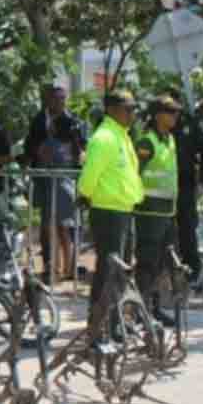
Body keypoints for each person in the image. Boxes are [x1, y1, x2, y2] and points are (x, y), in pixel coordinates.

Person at [77, 90, 143, 336]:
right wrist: (86, 194)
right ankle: (97, 327)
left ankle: (114, 324)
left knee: (120, 272)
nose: (133, 114)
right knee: (107, 272)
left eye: (134, 109)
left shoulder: (120, 135)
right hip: (108, 212)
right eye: (129, 109)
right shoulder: (104, 137)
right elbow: (89, 178)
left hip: (122, 210)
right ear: (113, 110)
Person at [23, 84, 88, 282]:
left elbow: (81, 148)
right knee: (47, 223)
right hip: (43, 178)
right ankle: (51, 267)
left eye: (63, 98)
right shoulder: (38, 120)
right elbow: (29, 146)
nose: (60, 102)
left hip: (65, 177)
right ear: (47, 100)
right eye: (56, 98)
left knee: (65, 225)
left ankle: (68, 267)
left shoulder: (73, 121)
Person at [133, 95, 183, 325]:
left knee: (161, 264)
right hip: (149, 214)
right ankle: (141, 311)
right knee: (147, 264)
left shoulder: (169, 139)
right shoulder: (147, 142)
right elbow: (134, 175)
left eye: (176, 112)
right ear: (157, 115)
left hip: (167, 213)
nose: (175, 116)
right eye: (171, 112)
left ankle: (154, 309)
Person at [173, 104, 203, 287]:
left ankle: (192, 272)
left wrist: (202, 180)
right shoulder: (153, 123)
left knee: (187, 229)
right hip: (162, 187)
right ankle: (163, 272)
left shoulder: (191, 123)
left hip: (185, 185)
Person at [39, 115, 84, 281]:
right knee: (66, 232)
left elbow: (41, 157)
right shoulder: (74, 145)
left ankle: (55, 270)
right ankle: (69, 268)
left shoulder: (51, 143)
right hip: (70, 188)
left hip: (55, 189)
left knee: (53, 231)